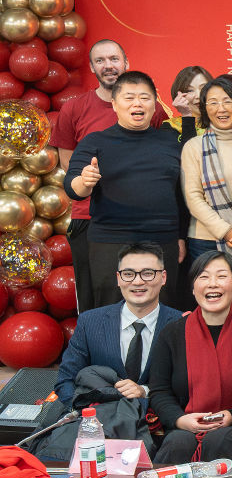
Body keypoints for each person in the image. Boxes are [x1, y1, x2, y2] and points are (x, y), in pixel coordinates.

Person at [65, 71, 186, 309]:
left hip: (162, 239)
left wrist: (180, 236)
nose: (137, 104)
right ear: (114, 104)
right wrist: (85, 182)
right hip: (110, 240)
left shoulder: (172, 142)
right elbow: (72, 187)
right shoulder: (95, 141)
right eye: (129, 98)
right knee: (111, 311)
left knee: (163, 309)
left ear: (154, 104)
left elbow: (181, 195)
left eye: (144, 97)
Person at [146, 250, 232, 464]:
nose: (212, 284)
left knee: (220, 440)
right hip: (184, 425)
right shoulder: (172, 333)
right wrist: (180, 420)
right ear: (193, 287)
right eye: (204, 277)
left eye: (222, 276)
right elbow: (159, 391)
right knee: (178, 442)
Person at [54, 243, 183, 407]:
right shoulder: (90, 322)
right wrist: (86, 413)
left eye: (148, 273)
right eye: (128, 274)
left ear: (163, 277)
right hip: (99, 418)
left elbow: (189, 386)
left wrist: (145, 391)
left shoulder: (182, 324)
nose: (137, 281)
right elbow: (66, 380)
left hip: (159, 418)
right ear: (118, 278)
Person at [52, 39, 127, 312]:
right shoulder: (74, 108)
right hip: (88, 216)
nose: (108, 66)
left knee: (133, 295)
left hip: (135, 218)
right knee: (91, 296)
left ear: (126, 63)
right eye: (100, 61)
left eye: (114, 59)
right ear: (92, 67)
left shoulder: (146, 107)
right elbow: (68, 163)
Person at [181, 76, 232, 316]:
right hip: (206, 240)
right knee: (212, 308)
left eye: (227, 101)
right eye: (213, 102)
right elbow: (193, 198)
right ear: (205, 108)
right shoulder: (193, 146)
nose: (221, 109)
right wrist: (227, 231)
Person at [166, 66, 211, 139]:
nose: (198, 96)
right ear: (178, 95)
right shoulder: (171, 127)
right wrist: (187, 116)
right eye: (190, 90)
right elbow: (189, 146)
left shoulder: (225, 123)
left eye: (203, 88)